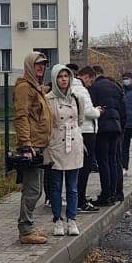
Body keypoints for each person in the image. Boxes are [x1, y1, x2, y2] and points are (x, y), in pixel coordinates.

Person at [13, 52, 54, 244]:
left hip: (39, 144)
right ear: (29, 65)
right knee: (33, 189)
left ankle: (28, 225)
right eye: (38, 64)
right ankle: (25, 230)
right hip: (31, 146)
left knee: (35, 190)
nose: (41, 67)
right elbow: (21, 117)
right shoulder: (24, 88)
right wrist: (26, 144)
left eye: (43, 64)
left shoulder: (35, 88)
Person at [44, 65, 85, 236]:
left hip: (73, 143)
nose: (63, 79)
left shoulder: (77, 97)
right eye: (60, 76)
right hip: (56, 143)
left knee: (72, 186)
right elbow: (45, 122)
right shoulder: (48, 99)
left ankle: (72, 219)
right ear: (54, 79)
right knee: (55, 186)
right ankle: (57, 220)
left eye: (66, 76)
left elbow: (80, 120)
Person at [81, 65, 126, 207]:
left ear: (94, 76)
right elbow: (123, 108)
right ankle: (116, 192)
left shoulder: (94, 88)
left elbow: (91, 108)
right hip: (116, 126)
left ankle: (106, 194)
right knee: (114, 160)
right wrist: (121, 127)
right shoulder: (116, 86)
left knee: (103, 161)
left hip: (102, 128)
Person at [66, 63, 101, 214]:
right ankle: (80, 201)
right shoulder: (81, 89)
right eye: (91, 81)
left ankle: (77, 197)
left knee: (77, 168)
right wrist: (98, 111)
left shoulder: (71, 87)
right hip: (86, 131)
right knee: (84, 168)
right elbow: (88, 112)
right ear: (86, 76)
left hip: (77, 131)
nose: (91, 84)